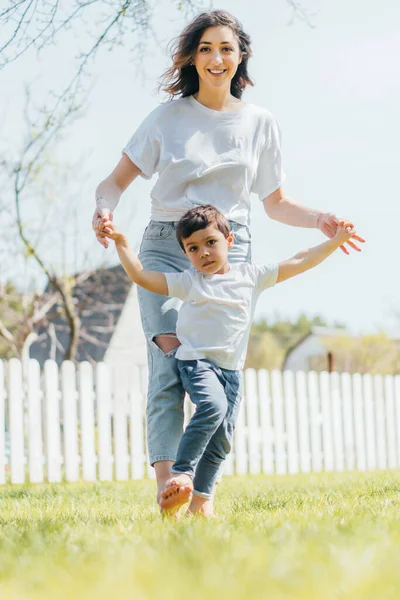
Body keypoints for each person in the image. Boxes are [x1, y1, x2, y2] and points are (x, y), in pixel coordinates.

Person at [92, 10, 365, 517]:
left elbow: (276, 202)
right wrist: (104, 210)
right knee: (170, 363)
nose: (216, 58)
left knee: (221, 369)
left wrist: (322, 219)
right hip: (164, 245)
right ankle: (168, 487)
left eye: (226, 48)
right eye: (206, 49)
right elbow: (114, 182)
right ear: (192, 57)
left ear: (240, 57)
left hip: (230, 251)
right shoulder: (167, 118)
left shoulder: (260, 123)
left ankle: (203, 497)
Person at [101, 205, 360, 516]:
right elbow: (142, 276)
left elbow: (300, 260)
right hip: (197, 363)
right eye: (193, 248)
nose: (204, 253)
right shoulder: (190, 281)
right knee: (213, 406)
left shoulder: (250, 276)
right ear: (185, 253)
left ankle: (199, 504)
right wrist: (122, 243)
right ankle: (181, 474)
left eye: (211, 242)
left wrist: (333, 242)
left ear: (229, 241)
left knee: (223, 438)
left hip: (231, 371)